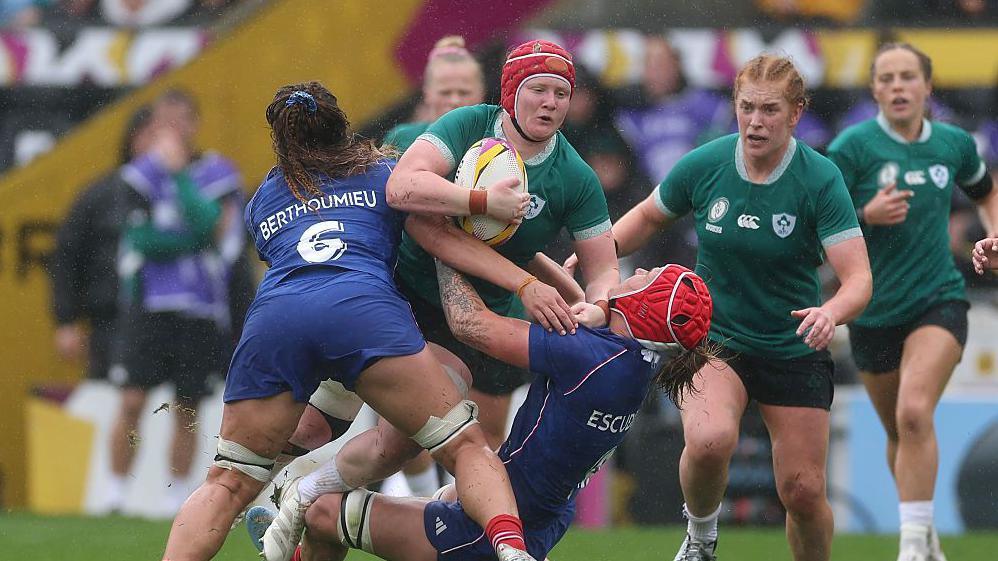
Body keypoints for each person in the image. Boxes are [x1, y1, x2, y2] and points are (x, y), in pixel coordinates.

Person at [161, 81, 562, 561]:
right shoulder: (385, 173)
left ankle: (290, 495)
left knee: (227, 482)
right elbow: (448, 231)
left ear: (283, 142)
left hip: (278, 316)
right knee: (464, 446)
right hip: (364, 312)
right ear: (342, 127)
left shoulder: (263, 199)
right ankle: (512, 550)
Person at [571, 54, 873, 561]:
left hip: (792, 346)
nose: (756, 121)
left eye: (770, 110)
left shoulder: (820, 179)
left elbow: (859, 278)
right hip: (716, 340)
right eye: (746, 107)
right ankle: (701, 538)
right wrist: (596, 248)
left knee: (802, 493)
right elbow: (647, 217)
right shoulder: (707, 163)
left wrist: (832, 312)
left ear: (796, 113)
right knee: (710, 440)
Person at [250, 259, 715, 561]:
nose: (632, 275)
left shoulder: (591, 356)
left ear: (647, 305)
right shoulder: (631, 368)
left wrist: (448, 248)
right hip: (533, 520)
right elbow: (589, 329)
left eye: (645, 278)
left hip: (484, 532)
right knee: (427, 498)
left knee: (324, 515)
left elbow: (469, 325)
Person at [389, 39, 619, 451]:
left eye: (561, 93)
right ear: (511, 92)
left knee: (412, 443)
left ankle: (311, 497)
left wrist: (597, 305)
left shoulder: (576, 177)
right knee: (329, 421)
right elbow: (400, 189)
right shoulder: (464, 124)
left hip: (482, 314)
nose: (550, 103)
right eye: (538, 89)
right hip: (402, 290)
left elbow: (603, 269)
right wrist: (482, 201)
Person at [826, 42, 997, 561]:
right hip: (873, 311)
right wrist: (864, 213)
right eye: (887, 78)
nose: (898, 86)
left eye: (907, 77)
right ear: (875, 89)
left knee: (915, 412)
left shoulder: (952, 144)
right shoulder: (851, 149)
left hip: (938, 299)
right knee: (899, 430)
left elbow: (986, 190)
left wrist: (994, 235)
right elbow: (816, 221)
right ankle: (928, 538)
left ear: (927, 85)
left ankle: (911, 548)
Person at [107, 89, 244, 515]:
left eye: (179, 120)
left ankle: (174, 496)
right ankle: (115, 492)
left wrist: (181, 177)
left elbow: (213, 228)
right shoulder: (137, 177)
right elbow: (140, 240)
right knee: (132, 398)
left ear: (193, 124)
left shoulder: (217, 172)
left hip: (200, 307)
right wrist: (191, 239)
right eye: (161, 121)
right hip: (150, 304)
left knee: (187, 403)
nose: (169, 130)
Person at [49, 105, 155, 383]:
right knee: (115, 406)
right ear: (134, 138)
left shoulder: (190, 194)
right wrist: (66, 320)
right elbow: (66, 256)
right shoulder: (101, 196)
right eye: (152, 135)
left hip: (178, 326)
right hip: (111, 324)